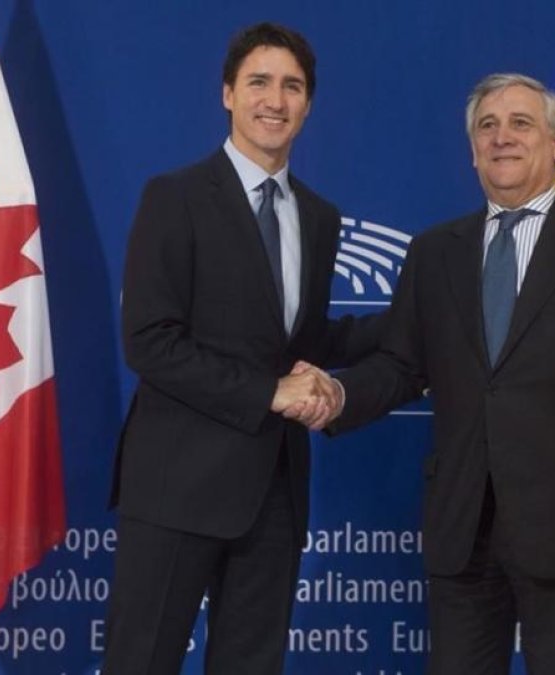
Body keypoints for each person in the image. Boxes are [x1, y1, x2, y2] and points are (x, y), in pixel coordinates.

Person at [291, 73, 555, 675]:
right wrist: (338, 394)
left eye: (520, 124)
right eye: (487, 127)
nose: (502, 138)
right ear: (472, 150)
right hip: (462, 526)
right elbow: (401, 363)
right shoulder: (434, 252)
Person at [103, 22, 380, 675]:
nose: (275, 100)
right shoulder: (173, 198)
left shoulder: (318, 216)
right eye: (259, 82)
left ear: (309, 104)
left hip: (274, 492)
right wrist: (269, 392)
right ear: (227, 94)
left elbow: (302, 340)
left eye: (292, 86)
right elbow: (149, 340)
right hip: (176, 485)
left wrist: (418, 321)